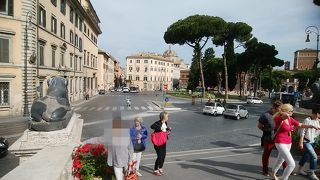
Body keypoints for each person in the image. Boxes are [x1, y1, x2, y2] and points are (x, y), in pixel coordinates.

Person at [271, 104, 319, 180]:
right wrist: (284, 112)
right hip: (280, 142)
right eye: (291, 111)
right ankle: (284, 178)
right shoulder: (279, 118)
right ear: (286, 111)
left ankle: (273, 173)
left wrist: (311, 126)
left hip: (288, 142)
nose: (293, 112)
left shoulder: (290, 119)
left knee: (280, 160)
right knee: (291, 164)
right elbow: (284, 116)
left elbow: (300, 124)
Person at [257, 100, 287, 176]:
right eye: (280, 109)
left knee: (284, 154)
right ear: (274, 108)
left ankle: (286, 170)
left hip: (280, 139)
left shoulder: (281, 114)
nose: (281, 111)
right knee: (266, 155)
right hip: (269, 139)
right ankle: (265, 171)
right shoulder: (265, 115)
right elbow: (259, 126)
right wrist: (268, 131)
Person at [297, 107, 320, 180]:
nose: (318, 115)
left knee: (306, 156)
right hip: (306, 141)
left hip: (313, 142)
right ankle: (312, 173)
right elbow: (302, 131)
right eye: (318, 114)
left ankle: (299, 170)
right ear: (315, 113)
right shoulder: (307, 120)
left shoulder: (318, 121)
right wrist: (301, 142)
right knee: (314, 157)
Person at [151, 111, 171, 176]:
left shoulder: (165, 123)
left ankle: (160, 168)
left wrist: (168, 131)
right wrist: (161, 128)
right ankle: (155, 170)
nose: (168, 117)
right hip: (157, 142)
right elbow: (152, 126)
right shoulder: (158, 122)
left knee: (163, 155)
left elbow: (165, 131)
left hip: (163, 141)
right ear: (163, 117)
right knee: (159, 156)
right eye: (167, 116)